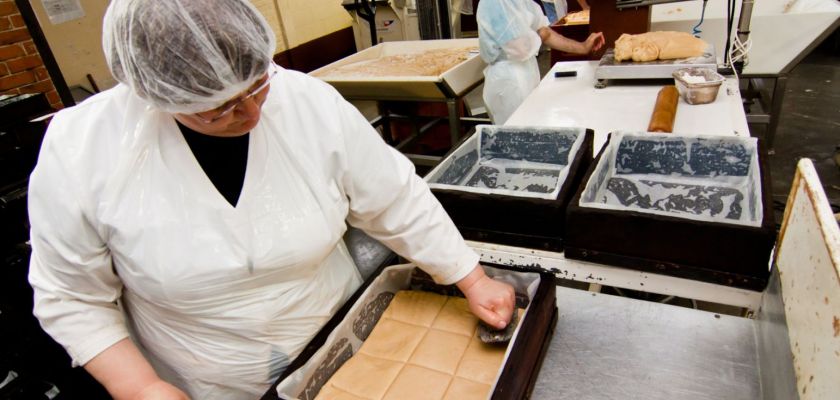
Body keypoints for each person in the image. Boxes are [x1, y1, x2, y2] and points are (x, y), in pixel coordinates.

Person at [26, 1, 515, 399]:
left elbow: (394, 198)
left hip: (338, 339)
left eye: (259, 84)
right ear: (158, 96)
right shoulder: (83, 149)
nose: (252, 112)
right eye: (217, 111)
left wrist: (468, 276)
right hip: (206, 377)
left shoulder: (307, 101)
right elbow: (71, 295)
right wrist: (138, 387)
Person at [478, 0, 605, 124]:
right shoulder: (495, 3)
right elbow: (520, 47)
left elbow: (546, 32)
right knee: (516, 136)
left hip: (527, 74)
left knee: (532, 132)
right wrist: (540, 35)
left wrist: (583, 47)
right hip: (508, 83)